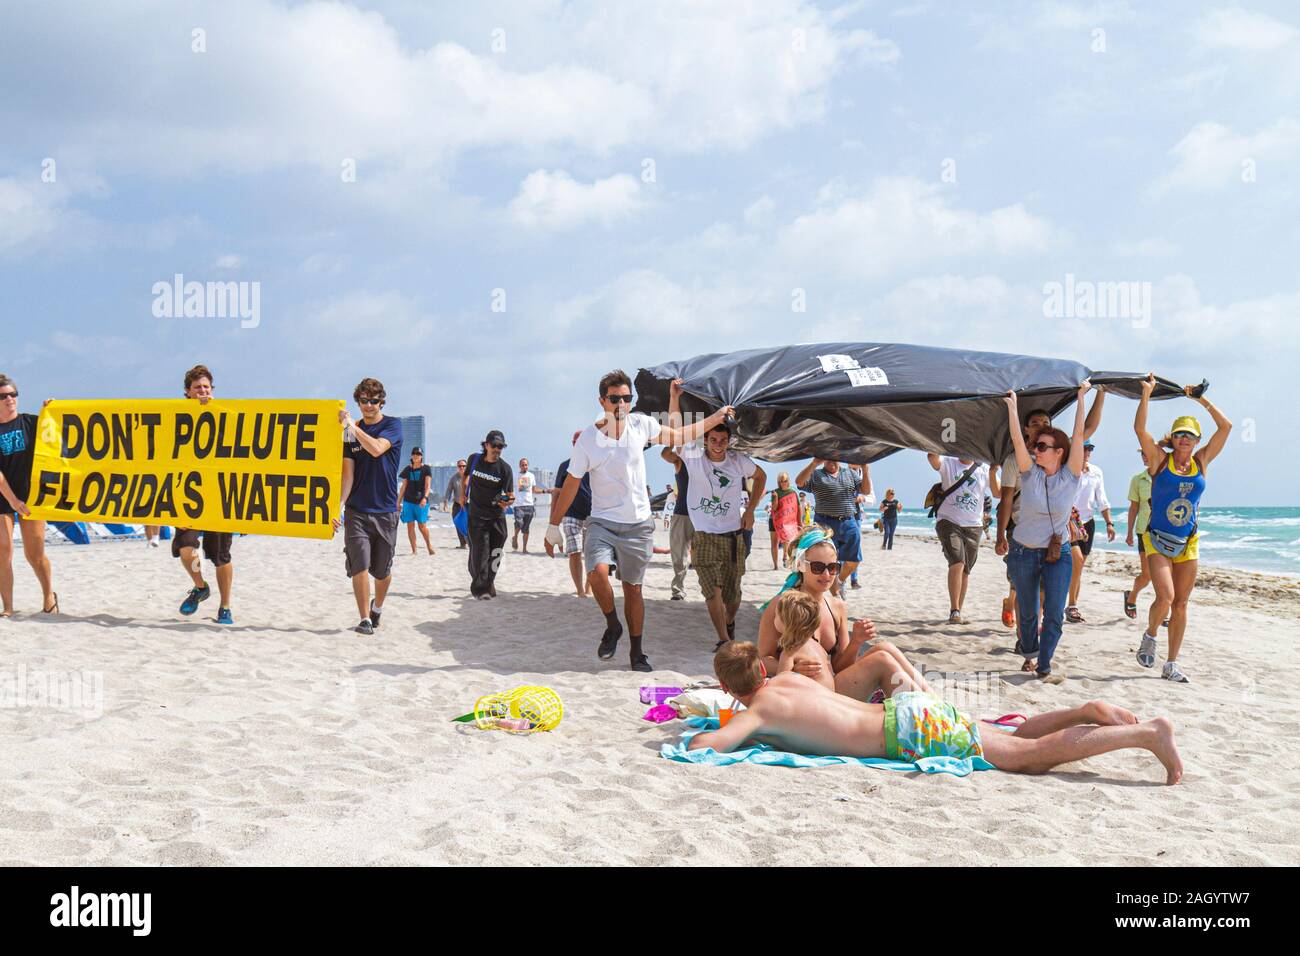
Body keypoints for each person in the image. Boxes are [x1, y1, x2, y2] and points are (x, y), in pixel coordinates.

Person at [692, 643, 1183, 786]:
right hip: (907, 705)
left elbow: (705, 749)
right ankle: (1085, 710)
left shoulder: (757, 711)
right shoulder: (789, 680)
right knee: (989, 734)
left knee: (1023, 757)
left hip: (906, 729)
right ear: (761, 666)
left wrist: (716, 728)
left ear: (725, 687)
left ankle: (1147, 733)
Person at [545, 372, 734, 672]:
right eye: (614, 399)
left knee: (634, 590)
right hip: (602, 522)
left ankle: (637, 652)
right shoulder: (588, 441)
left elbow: (680, 435)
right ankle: (612, 625)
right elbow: (570, 484)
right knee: (596, 574)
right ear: (602, 401)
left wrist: (716, 417)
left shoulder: (641, 425)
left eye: (626, 398)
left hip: (638, 525)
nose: (621, 404)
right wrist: (553, 525)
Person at [756, 526, 929, 703]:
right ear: (800, 565)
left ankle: (932, 700)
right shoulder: (783, 604)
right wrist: (792, 667)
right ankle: (927, 712)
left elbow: (841, 666)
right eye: (817, 567)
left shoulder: (837, 606)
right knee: (882, 660)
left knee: (886, 648)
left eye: (832, 567)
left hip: (831, 683)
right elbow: (761, 659)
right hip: (811, 693)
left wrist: (856, 642)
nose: (826, 574)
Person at [1134, 374, 1231, 683]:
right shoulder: (1160, 461)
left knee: (1182, 603)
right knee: (1165, 597)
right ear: (1173, 438)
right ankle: (1150, 635)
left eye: (1190, 435)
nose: (1184, 439)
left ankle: (1171, 663)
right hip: (1157, 539)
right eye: (1179, 434)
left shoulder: (1202, 461)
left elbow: (1226, 427)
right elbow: (1139, 430)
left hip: (1188, 541)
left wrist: (1199, 398)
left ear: (1197, 440)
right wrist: (1146, 394)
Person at [995, 393, 1104, 630]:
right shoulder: (1015, 460)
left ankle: (1033, 630)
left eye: (1045, 423)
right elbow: (1005, 499)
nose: (1041, 427)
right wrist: (1001, 534)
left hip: (1053, 531)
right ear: (1025, 430)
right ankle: (1021, 625)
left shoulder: (1059, 453)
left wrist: (1101, 392)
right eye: (1035, 424)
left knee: (1044, 586)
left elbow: (1088, 429)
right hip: (1020, 528)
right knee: (1022, 587)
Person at [669, 379, 765, 649]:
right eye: (713, 440)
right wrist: (674, 398)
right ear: (706, 440)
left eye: (723, 440)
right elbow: (676, 431)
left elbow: (761, 476)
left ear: (728, 440)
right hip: (704, 537)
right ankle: (723, 639)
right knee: (712, 591)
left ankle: (729, 623)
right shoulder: (693, 457)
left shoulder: (738, 462)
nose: (718, 445)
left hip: (734, 536)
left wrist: (752, 511)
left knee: (733, 595)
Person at [1003, 383, 1090, 678]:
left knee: (1053, 613)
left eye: (1042, 446)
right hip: (1024, 552)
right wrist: (1012, 407)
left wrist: (1081, 399)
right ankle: (1029, 652)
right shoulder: (1029, 474)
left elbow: (1079, 435)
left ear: (1058, 452)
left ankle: (1044, 662)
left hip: (1058, 553)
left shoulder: (1071, 475)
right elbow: (1017, 440)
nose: (1035, 450)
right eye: (1035, 445)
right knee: (1027, 612)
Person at [336, 377, 403, 634]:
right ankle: (364, 618)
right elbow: (348, 475)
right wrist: (340, 507)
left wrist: (352, 425)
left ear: (381, 401)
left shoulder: (393, 426)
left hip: (385, 511)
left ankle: (377, 607)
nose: (369, 405)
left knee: (382, 571)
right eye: (364, 401)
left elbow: (376, 449)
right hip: (357, 511)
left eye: (374, 401)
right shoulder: (349, 435)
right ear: (358, 401)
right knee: (359, 565)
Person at [171, 365, 235, 623]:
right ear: (187, 392)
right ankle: (200, 586)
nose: (203, 391)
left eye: (207, 387)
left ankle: (226, 606)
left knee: (221, 556)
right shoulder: (174, 416)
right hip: (188, 493)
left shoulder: (225, 414)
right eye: (197, 388)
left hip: (219, 494)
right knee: (186, 548)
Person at [0, 373, 57, 617]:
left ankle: (48, 595)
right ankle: (8, 607)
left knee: (34, 554)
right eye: (3, 396)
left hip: (32, 495)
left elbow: (58, 434)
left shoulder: (31, 423)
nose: (10, 399)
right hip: (4, 495)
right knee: (3, 551)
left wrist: (53, 411)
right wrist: (14, 501)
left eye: (13, 394)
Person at [926, 453, 994, 624]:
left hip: (974, 526)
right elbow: (932, 458)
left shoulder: (984, 468)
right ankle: (954, 610)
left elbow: (998, 492)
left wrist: (995, 469)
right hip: (948, 521)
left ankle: (958, 611)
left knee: (966, 570)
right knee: (957, 561)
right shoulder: (948, 462)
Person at [794, 458, 871, 595]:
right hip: (825, 523)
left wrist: (865, 470)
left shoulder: (850, 473)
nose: (831, 462)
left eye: (834, 458)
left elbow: (865, 490)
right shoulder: (817, 475)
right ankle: (836, 596)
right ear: (823, 460)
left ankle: (839, 581)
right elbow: (799, 482)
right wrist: (814, 464)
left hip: (849, 522)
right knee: (827, 561)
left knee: (854, 560)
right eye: (827, 458)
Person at [1063, 440, 1113, 623]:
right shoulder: (1066, 470)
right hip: (1069, 522)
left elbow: (1102, 499)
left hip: (1088, 523)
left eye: (1090, 448)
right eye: (1083, 448)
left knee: (1079, 567)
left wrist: (1109, 523)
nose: (1086, 452)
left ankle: (1071, 604)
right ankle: (1072, 604)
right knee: (1076, 561)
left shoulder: (1096, 472)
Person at [461, 430, 513, 601]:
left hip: (497, 516)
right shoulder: (474, 460)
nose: (497, 449)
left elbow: (510, 494)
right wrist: (463, 494)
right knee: (481, 552)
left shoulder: (505, 469)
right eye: (494, 445)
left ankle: (489, 582)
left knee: (496, 553)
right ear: (486, 445)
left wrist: (507, 500)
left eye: (500, 446)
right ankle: (480, 590)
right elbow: (466, 477)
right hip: (476, 516)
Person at [549, 430, 592, 598]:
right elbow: (557, 493)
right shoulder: (564, 466)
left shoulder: (595, 465)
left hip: (593, 515)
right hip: (571, 514)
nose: (578, 443)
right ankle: (580, 590)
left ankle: (589, 589)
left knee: (592, 553)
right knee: (574, 552)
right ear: (573, 443)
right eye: (575, 441)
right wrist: (553, 522)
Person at [1123, 448, 1154, 621]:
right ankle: (1132, 596)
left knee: (1166, 574)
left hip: (1165, 532)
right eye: (1142, 453)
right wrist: (1129, 532)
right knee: (1148, 575)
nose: (1145, 456)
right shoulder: (1138, 480)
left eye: (1147, 452)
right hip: (1144, 531)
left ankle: (1163, 610)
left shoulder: (1166, 477)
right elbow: (1134, 507)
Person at [397, 447, 434, 556]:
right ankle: (414, 550)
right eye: (414, 453)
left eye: (418, 454)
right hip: (408, 501)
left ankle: (429, 545)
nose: (415, 455)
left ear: (421, 456)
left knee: (422, 526)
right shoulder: (407, 470)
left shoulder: (426, 469)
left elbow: (428, 486)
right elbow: (403, 487)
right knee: (410, 526)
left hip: (421, 501)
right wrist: (398, 501)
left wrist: (425, 498)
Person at [768, 472, 800, 570]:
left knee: (787, 539)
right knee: (774, 543)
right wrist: (775, 497)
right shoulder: (775, 492)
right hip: (774, 520)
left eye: (785, 481)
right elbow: (774, 508)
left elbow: (798, 508)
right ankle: (775, 565)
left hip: (787, 522)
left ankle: (785, 554)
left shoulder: (793, 492)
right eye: (781, 481)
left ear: (788, 481)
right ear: (779, 482)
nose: (783, 483)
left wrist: (800, 521)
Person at [511, 457, 537, 553]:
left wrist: (545, 491)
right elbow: (510, 490)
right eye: (522, 465)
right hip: (518, 505)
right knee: (519, 523)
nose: (524, 466)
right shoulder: (514, 476)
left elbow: (534, 490)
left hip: (529, 505)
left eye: (526, 465)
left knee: (526, 528)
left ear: (528, 466)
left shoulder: (532, 476)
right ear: (519, 466)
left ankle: (524, 549)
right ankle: (515, 537)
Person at [446, 460, 468, 547]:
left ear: (466, 467)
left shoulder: (470, 477)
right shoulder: (454, 478)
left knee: (468, 524)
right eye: (460, 466)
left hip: (468, 505)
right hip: (457, 504)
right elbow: (449, 490)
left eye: (463, 466)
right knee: (457, 523)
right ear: (457, 467)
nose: (461, 468)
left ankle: (469, 542)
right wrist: (445, 501)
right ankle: (462, 543)